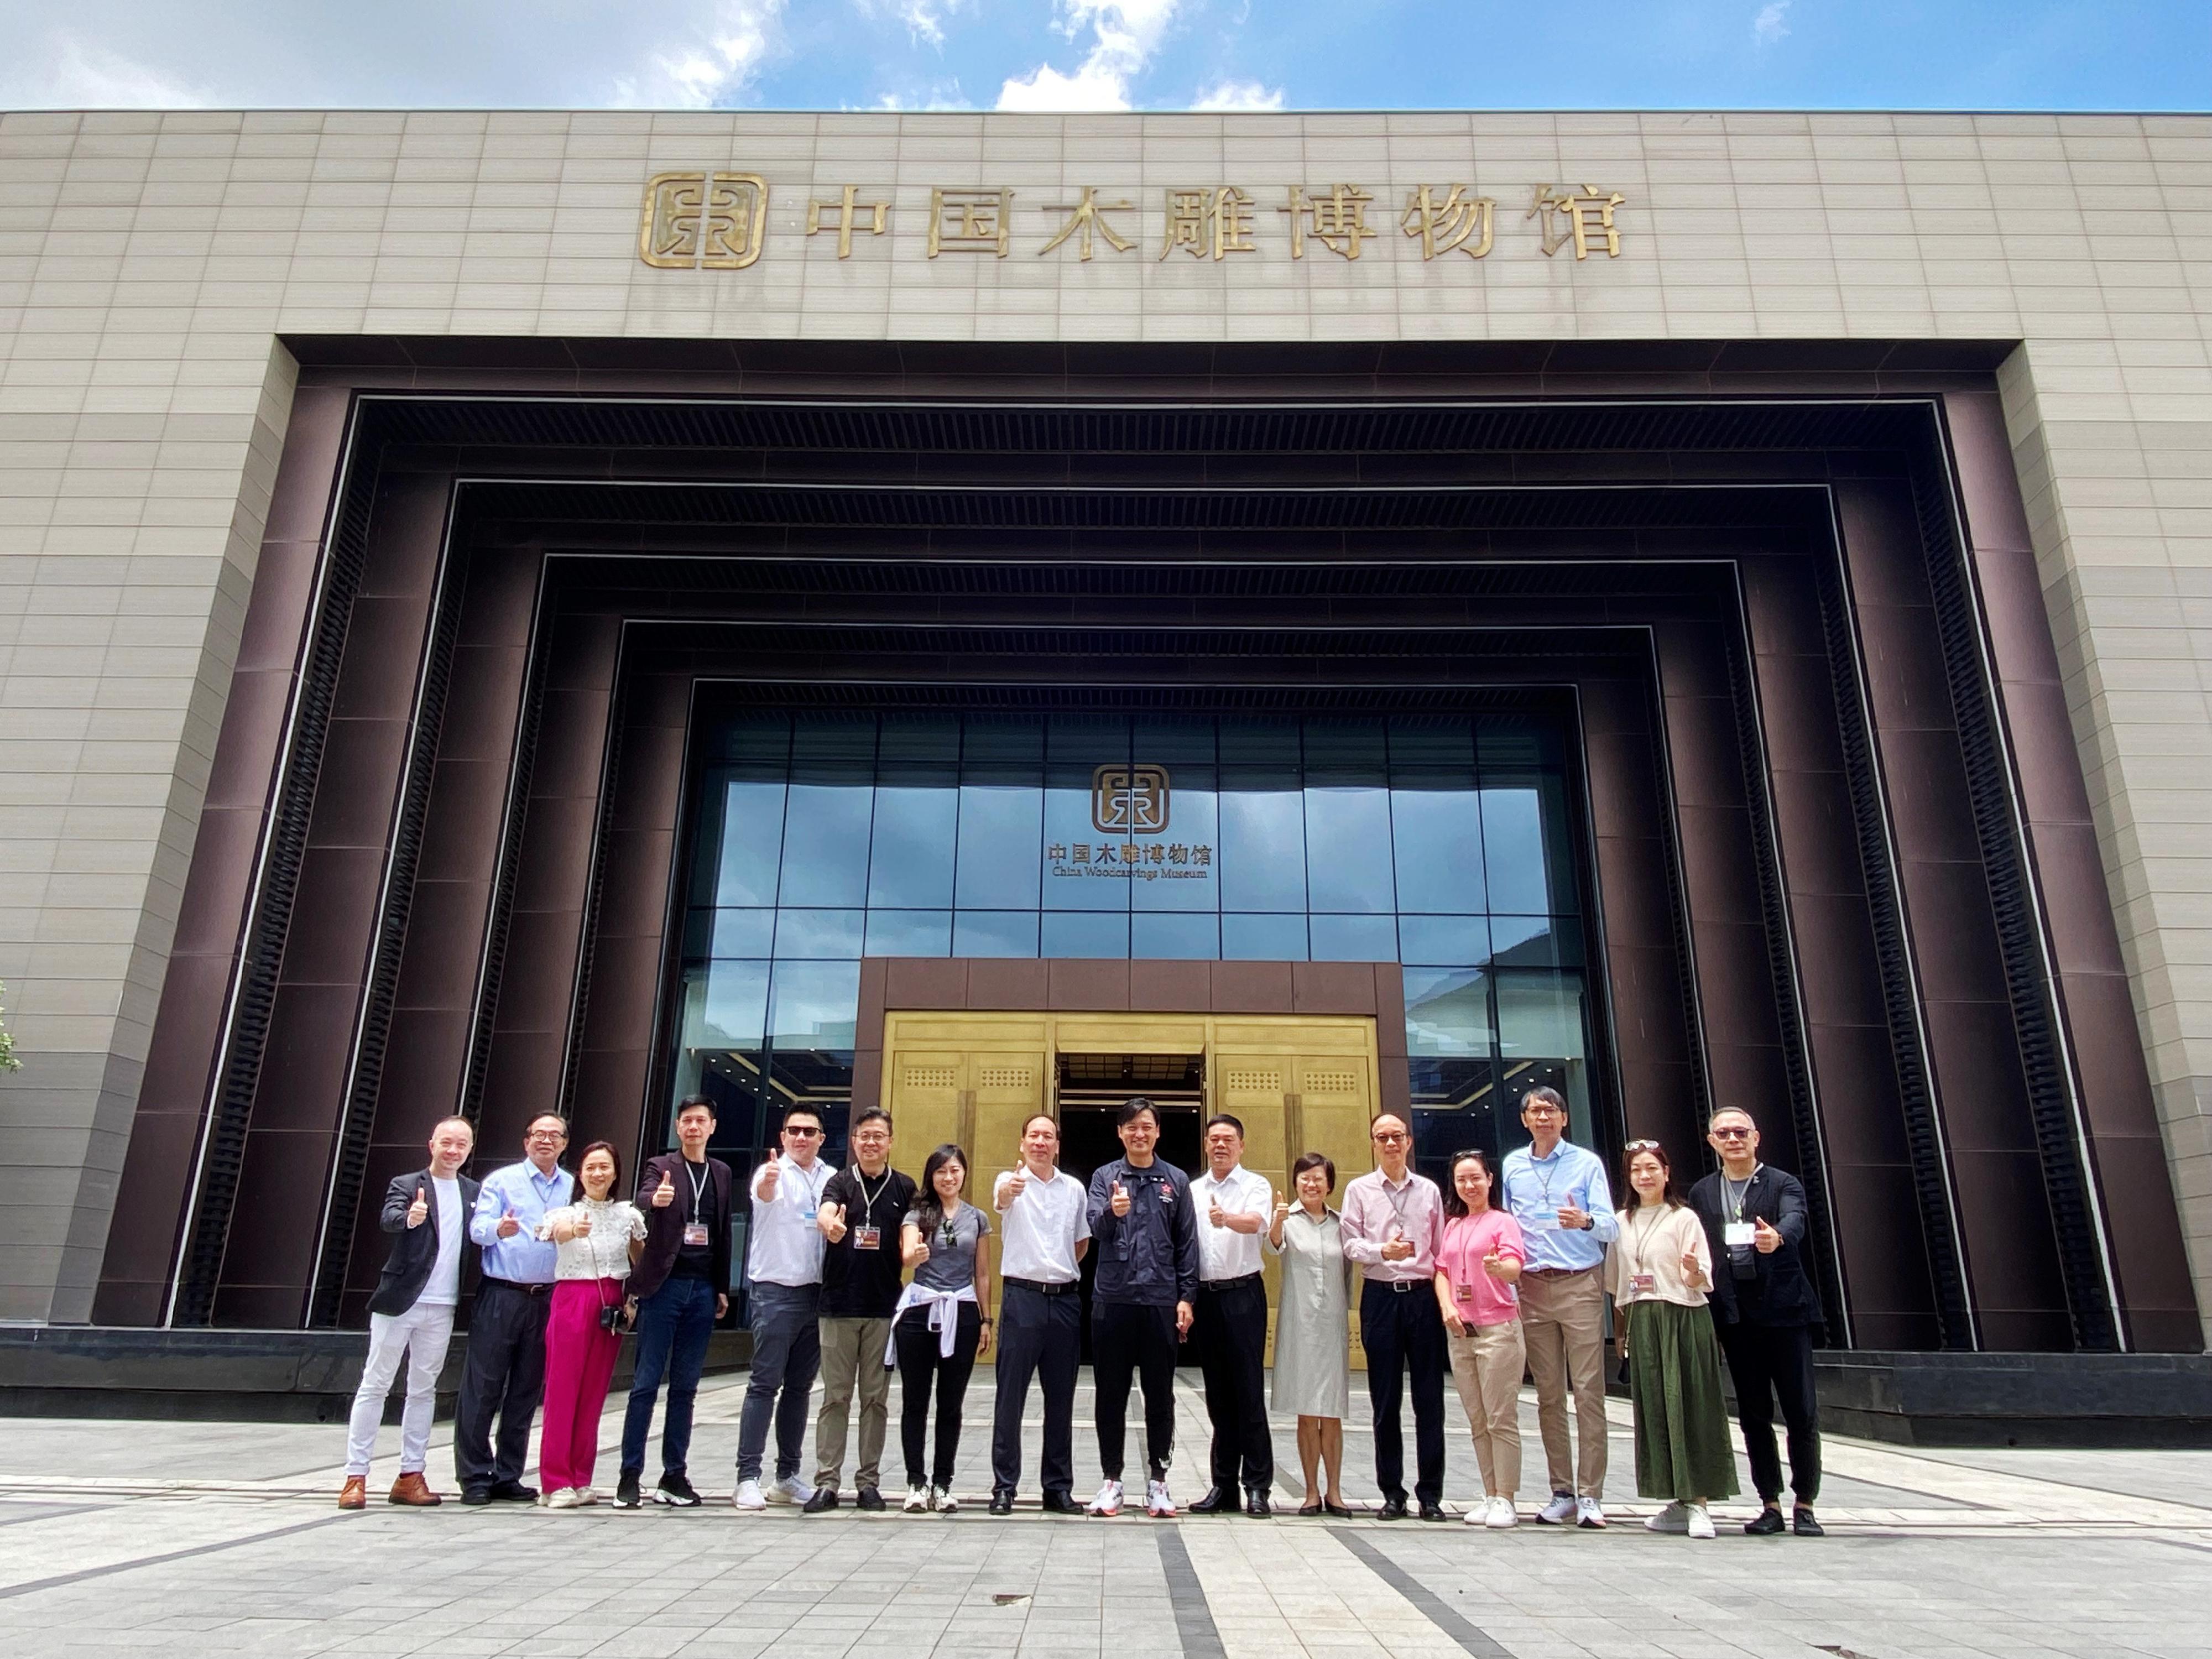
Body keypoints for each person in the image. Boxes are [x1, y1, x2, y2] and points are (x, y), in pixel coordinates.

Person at [1688, 1107, 1825, 1537]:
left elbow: (1796, 1219)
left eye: (1740, 1132)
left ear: (1756, 1137)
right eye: (1724, 1133)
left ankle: (1805, 1503)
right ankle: (1770, 1503)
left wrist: (1777, 1236)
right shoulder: (1703, 1192)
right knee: (1752, 1415)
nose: (1733, 1139)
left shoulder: (1782, 1183)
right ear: (1712, 1141)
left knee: (1801, 1411)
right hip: (1735, 1315)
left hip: (1784, 1312)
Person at [338, 1116, 479, 1510]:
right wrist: (408, 1219)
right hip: (400, 1301)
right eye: (446, 1143)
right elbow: (389, 1218)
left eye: (461, 1145)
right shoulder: (407, 1184)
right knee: (375, 1384)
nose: (453, 1151)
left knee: (423, 1389)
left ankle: (411, 1475)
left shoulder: (473, 1191)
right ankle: (355, 1477)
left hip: (443, 1304)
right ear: (431, 1144)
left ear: (470, 1150)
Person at [1499, 1084, 1619, 1528]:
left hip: (1579, 1283)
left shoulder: (1586, 1164)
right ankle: (1562, 1490)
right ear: (1525, 1119)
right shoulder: (1513, 1165)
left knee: (1589, 1392)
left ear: (1564, 1118)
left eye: (1551, 1110)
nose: (1543, 1117)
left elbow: (1610, 1227)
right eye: (1535, 1110)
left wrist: (1585, 1220)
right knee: (1548, 1395)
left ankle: (1592, 1494)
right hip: (1532, 1286)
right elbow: (1510, 1227)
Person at [1611, 1138, 1738, 1538]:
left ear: (1666, 1174)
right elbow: (1618, 1285)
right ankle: (1676, 1499)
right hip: (1643, 1318)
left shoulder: (1684, 1219)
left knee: (1690, 1404)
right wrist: (1620, 1333)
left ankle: (1699, 1501)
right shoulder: (1621, 1221)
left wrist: (1693, 1270)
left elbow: (1700, 1279)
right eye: (1636, 1170)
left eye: (1652, 1168)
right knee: (1657, 1410)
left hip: (1682, 1316)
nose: (1644, 1176)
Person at [614, 1095, 732, 1509]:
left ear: (712, 1126)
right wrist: (654, 1201)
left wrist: (721, 1286)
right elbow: (645, 1197)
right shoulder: (661, 1167)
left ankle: (674, 1475)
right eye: (687, 1121)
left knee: (685, 1388)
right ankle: (630, 1476)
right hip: (663, 1287)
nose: (694, 1127)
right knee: (646, 1383)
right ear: (679, 1127)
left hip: (701, 1289)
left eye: (701, 1120)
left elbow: (721, 1235)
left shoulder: (721, 1172)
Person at [1084, 1096, 1199, 1519]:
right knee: (1110, 1394)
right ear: (1120, 1132)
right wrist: (1114, 1214)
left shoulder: (1175, 1181)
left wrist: (1187, 1296)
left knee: (1160, 1396)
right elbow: (1094, 1228)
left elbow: (1188, 1244)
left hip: (1159, 1300)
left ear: (1157, 1132)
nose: (1139, 1133)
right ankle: (1111, 1480)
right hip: (1112, 1300)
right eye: (1131, 1127)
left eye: (1146, 1126)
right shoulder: (1104, 1177)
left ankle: (1159, 1481)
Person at [456, 1112, 575, 1505]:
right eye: (538, 1134)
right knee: (483, 1387)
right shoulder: (502, 1181)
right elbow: (477, 1230)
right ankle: (474, 1476)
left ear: (564, 1144)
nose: (546, 1141)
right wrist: (498, 1231)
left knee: (525, 1390)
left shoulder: (571, 1186)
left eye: (554, 1136)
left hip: (547, 1298)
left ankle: (508, 1474)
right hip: (502, 1294)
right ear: (526, 1142)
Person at [804, 1107, 917, 1513]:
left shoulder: (905, 1187)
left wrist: (913, 1251)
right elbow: (826, 1213)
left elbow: (911, 1229)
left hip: (883, 1310)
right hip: (837, 1307)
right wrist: (829, 1225)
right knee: (835, 1398)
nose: (871, 1143)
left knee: (876, 1400)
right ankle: (827, 1483)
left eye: (878, 1136)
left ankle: (868, 1481)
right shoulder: (839, 1182)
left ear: (890, 1142)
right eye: (864, 1136)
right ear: (854, 1141)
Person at [1340, 1112, 1449, 1521]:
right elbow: (1350, 1243)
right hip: (1381, 1297)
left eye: (1397, 1136)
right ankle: (1392, 1492)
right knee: (1385, 1401)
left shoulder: (1430, 1191)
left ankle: (1431, 1494)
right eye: (1382, 1137)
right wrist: (1382, 1251)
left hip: (1421, 1298)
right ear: (1373, 1143)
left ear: (1409, 1142)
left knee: (1429, 1400)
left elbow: (1440, 1252)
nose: (1390, 1144)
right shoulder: (1359, 1190)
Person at [534, 1140, 647, 1507]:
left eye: (605, 1167)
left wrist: (632, 1301)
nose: (598, 1174)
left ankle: (581, 1476)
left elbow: (640, 1262)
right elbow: (555, 1234)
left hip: (611, 1304)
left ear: (615, 1173)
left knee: (595, 1392)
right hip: (572, 1301)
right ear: (580, 1174)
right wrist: (573, 1231)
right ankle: (555, 1480)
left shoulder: (628, 1215)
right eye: (590, 1167)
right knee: (563, 1390)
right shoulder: (564, 1213)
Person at [734, 1104, 836, 1511]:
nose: (801, 1137)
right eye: (794, 1130)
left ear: (821, 1138)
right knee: (764, 1384)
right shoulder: (770, 1172)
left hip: (816, 1294)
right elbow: (764, 1194)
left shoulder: (830, 1178)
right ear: (782, 1136)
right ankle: (747, 1477)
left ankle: (787, 1476)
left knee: (799, 1388)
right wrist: (769, 1183)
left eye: (810, 1131)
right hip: (775, 1293)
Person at [989, 1113, 1090, 1516]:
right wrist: (1011, 1191)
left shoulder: (1075, 1190)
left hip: (1065, 1301)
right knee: (1010, 1397)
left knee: (1061, 1399)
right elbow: (1001, 1200)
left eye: (1048, 1136)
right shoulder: (1008, 1182)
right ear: (1022, 1143)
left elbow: (1081, 1243)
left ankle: (1058, 1487)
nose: (1041, 1143)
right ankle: (1005, 1485)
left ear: (1058, 1145)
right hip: (1022, 1299)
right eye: (1034, 1136)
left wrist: (1059, 1268)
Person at [893, 1142, 994, 1512]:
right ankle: (916, 1483)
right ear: (931, 1176)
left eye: (955, 1170)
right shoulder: (917, 1213)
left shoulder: (978, 1218)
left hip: (963, 1313)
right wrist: (913, 1255)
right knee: (915, 1402)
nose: (948, 1178)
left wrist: (986, 1319)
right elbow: (906, 1253)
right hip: (921, 1312)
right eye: (941, 1172)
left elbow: (982, 1272)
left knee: (951, 1404)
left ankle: (943, 1482)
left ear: (964, 1173)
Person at [1187, 1113, 1275, 1516]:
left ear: (1241, 1145)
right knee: (1218, 1398)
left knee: (1248, 1393)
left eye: (1228, 1139)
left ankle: (1257, 1485)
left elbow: (1257, 1223)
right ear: (1206, 1145)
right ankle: (1223, 1487)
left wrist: (1227, 1220)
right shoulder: (1192, 1190)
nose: (1220, 1145)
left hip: (1243, 1296)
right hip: (1207, 1298)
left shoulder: (1255, 1185)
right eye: (1214, 1139)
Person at [1434, 1149, 1527, 1529]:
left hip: (1498, 1330)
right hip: (1461, 1332)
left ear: (1490, 1180)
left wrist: (1498, 1268)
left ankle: (1507, 1497)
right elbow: (1441, 1271)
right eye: (1461, 1179)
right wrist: (1447, 1306)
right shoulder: (1454, 1226)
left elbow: (1515, 1267)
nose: (1469, 1185)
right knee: (1477, 1419)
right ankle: (1489, 1494)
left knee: (1500, 1418)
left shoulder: (1503, 1222)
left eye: (1476, 1178)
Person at [1266, 1151, 1355, 1516]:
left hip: (1332, 1323)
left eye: (1318, 1178)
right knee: (1307, 1413)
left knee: (1331, 1411)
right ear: (1296, 1183)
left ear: (1329, 1184)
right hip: (1300, 1322)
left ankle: (1334, 1491)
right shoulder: (1288, 1221)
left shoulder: (1343, 1224)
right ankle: (1311, 1492)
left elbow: (1349, 1272)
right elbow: (1273, 1247)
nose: (1311, 1183)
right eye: (1304, 1177)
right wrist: (1276, 1220)